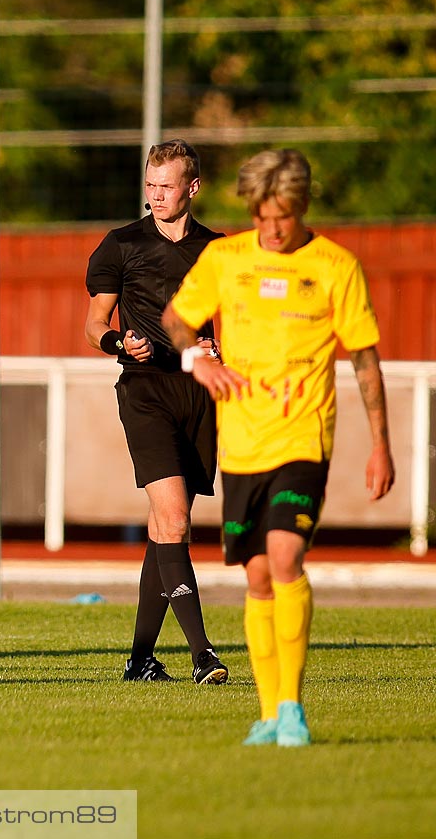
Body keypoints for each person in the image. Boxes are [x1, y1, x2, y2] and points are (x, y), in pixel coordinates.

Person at [165, 148, 395, 747]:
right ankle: (268, 714)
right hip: (241, 444)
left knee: (287, 557)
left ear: (303, 207)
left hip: (303, 440)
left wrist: (380, 446)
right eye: (262, 217)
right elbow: (176, 319)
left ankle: (291, 708)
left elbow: (365, 361)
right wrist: (197, 361)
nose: (271, 229)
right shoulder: (224, 257)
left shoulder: (336, 267)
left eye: (283, 218)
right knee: (260, 575)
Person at [83, 139, 227, 685]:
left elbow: (234, 325)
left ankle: (141, 659)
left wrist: (221, 353)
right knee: (175, 520)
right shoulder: (120, 245)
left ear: (192, 188)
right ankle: (202, 654)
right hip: (144, 390)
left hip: (196, 394)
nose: (156, 196)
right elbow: (94, 324)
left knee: (163, 531)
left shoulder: (219, 252)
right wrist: (119, 343)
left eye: (166, 186)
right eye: (150, 185)